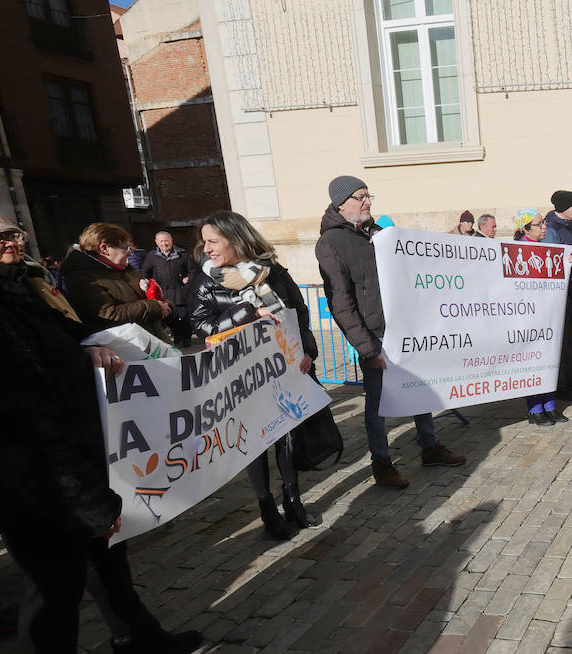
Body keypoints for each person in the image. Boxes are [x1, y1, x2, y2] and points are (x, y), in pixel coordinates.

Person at [0, 202, 201, 654]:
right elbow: (26, 416)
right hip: (41, 486)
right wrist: (87, 501)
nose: (14, 242)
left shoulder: (12, 288)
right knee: (55, 594)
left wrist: (86, 350)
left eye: (16, 234)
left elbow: (55, 346)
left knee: (105, 566)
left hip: (72, 468)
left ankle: (138, 637)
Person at [315, 175, 466, 489]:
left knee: (419, 389)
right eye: (361, 197)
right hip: (375, 335)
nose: (368, 201)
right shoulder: (330, 243)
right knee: (378, 404)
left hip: (405, 329)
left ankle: (429, 447)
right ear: (342, 203)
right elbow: (341, 303)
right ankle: (382, 463)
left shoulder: (379, 234)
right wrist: (368, 349)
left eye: (369, 195)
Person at [190, 211, 324, 539]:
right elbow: (202, 326)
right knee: (254, 441)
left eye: (213, 241)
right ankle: (268, 511)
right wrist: (247, 311)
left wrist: (307, 350)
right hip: (241, 375)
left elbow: (299, 311)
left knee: (286, 434)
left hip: (282, 368)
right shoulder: (208, 278)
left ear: (235, 240)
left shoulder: (272, 271)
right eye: (204, 241)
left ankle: (293, 500)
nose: (205, 248)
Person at [61, 222, 173, 340]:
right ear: (104, 249)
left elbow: (148, 300)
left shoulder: (124, 269)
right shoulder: (82, 276)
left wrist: (166, 305)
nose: (130, 253)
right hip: (128, 349)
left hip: (154, 341)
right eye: (126, 248)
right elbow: (107, 314)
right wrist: (154, 307)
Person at [515, 209, 571, 425]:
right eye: (539, 224)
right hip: (528, 317)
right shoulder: (519, 249)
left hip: (547, 316)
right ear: (526, 228)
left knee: (548, 360)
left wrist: (566, 265)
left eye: (544, 223)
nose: (544, 227)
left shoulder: (547, 249)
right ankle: (534, 408)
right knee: (532, 363)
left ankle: (550, 404)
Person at [543, 189, 572, 393]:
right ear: (564, 209)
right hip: (564, 293)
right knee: (561, 340)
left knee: (571, 338)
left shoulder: (570, 229)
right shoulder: (553, 229)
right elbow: (550, 262)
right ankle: (560, 383)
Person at [139, 230, 201, 347]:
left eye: (166, 241)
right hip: (163, 294)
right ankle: (177, 336)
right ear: (156, 242)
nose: (164, 244)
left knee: (183, 318)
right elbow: (145, 272)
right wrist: (145, 281)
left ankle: (186, 338)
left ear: (172, 241)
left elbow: (194, 270)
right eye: (161, 241)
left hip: (180, 292)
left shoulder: (183, 254)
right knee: (169, 319)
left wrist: (188, 280)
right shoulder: (152, 256)